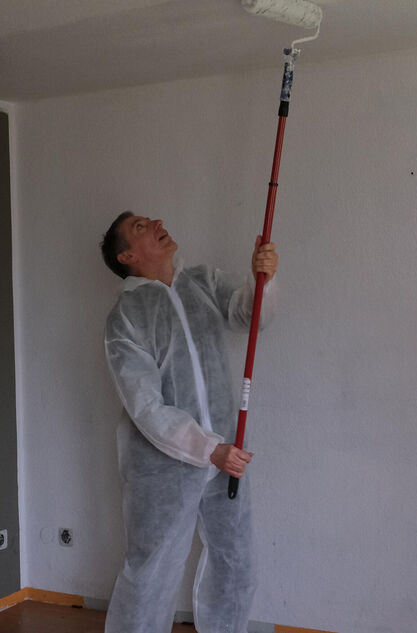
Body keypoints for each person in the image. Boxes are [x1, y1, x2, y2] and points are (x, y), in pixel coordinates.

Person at [99, 212, 278, 633]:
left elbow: (250, 316)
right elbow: (146, 407)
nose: (156, 222)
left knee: (236, 559)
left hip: (227, 452)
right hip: (164, 467)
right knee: (151, 569)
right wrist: (208, 449)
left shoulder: (201, 282)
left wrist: (263, 280)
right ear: (126, 256)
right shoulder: (126, 317)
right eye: (140, 227)